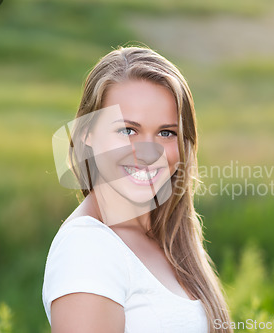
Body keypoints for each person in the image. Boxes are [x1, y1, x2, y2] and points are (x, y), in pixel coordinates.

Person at [42, 45, 233, 333]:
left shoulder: (168, 237)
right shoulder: (87, 247)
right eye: (128, 130)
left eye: (166, 133)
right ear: (87, 134)